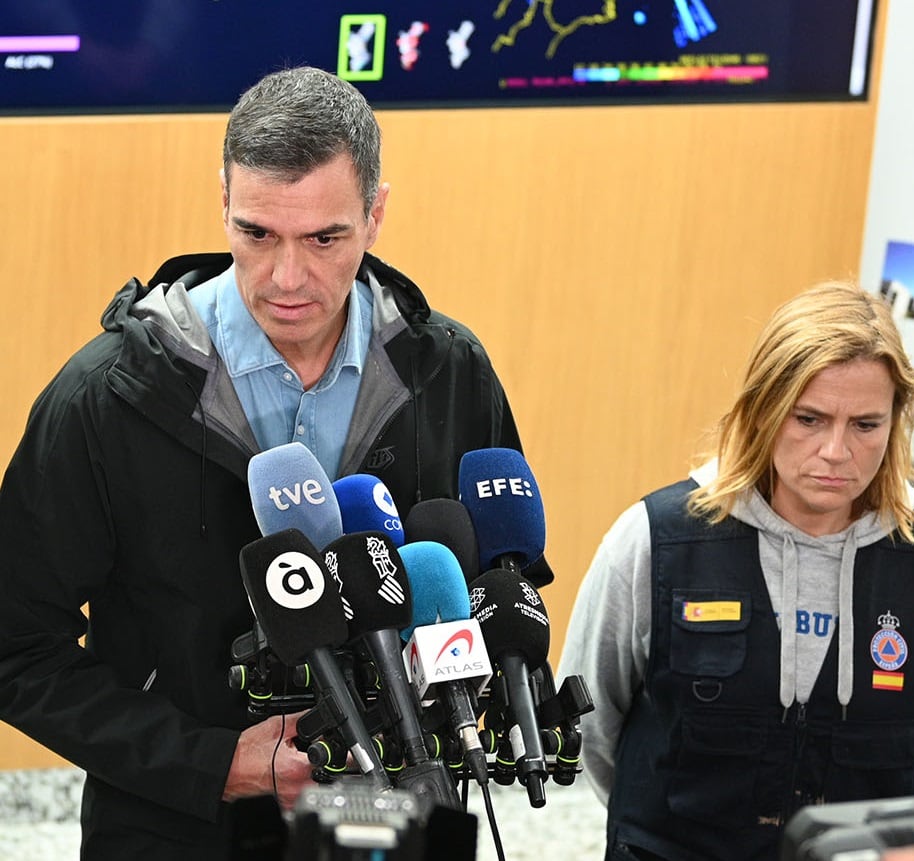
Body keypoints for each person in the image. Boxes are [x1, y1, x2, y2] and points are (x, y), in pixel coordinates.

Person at [0, 66, 532, 859]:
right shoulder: (105, 398)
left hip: (406, 816)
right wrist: (213, 762)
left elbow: (500, 582)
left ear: (376, 213)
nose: (287, 278)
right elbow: (16, 646)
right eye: (256, 233)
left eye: (325, 238)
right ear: (222, 200)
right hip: (174, 828)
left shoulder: (449, 371)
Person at [559, 281, 914, 861]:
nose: (836, 452)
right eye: (809, 419)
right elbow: (592, 723)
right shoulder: (656, 538)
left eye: (866, 425)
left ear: (896, 422)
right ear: (763, 409)